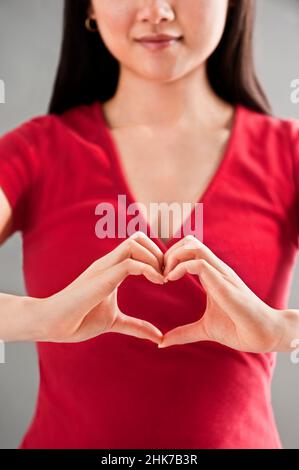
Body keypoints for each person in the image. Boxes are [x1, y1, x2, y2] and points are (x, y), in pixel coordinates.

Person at [0, 0, 299, 449]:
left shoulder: (288, 155)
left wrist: (280, 330)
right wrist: (40, 316)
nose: (156, 10)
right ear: (89, 8)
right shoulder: (35, 151)